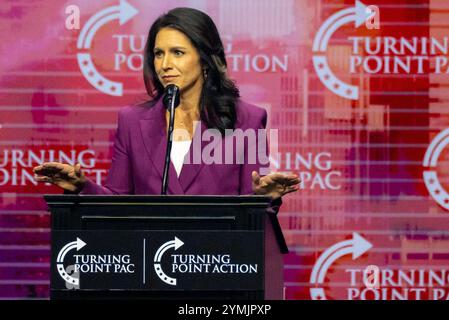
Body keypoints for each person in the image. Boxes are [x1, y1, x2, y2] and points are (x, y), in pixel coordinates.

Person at [33, 7, 299, 210]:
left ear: (205, 60)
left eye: (178, 53)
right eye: (159, 54)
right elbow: (118, 202)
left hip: (218, 266)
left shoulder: (248, 119)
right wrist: (82, 187)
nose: (165, 64)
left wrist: (263, 198)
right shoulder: (132, 121)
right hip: (150, 264)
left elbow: (254, 208)